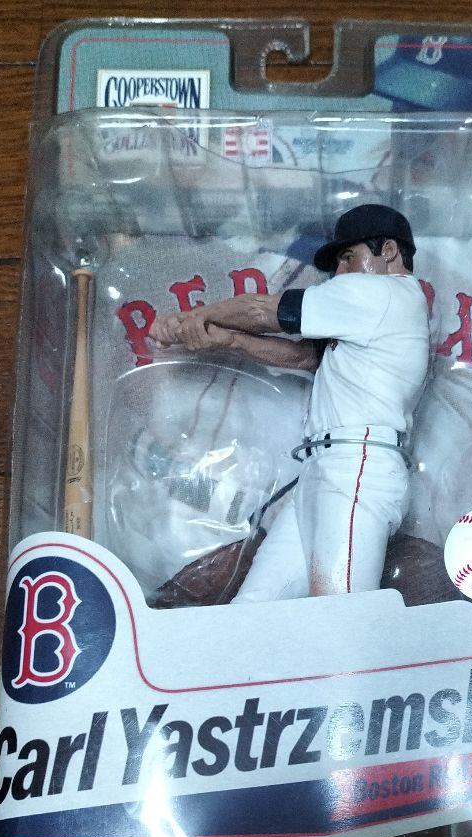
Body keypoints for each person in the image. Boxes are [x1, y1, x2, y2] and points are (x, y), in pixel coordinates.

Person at [150, 204, 430, 600]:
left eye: (348, 257)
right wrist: (230, 339)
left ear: (388, 251)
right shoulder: (372, 314)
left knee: (339, 612)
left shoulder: (384, 293)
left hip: (358, 466)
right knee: (254, 608)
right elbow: (305, 358)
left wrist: (190, 319)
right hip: (324, 467)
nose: (341, 272)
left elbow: (264, 311)